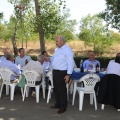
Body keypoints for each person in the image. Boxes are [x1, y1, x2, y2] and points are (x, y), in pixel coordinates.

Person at [51, 35, 74, 114]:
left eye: (57, 41)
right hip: (55, 71)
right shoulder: (57, 49)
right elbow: (55, 59)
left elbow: (70, 63)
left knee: (62, 91)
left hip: (62, 72)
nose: (56, 42)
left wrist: (68, 74)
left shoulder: (68, 50)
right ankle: (57, 104)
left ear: (62, 41)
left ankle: (63, 107)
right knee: (56, 89)